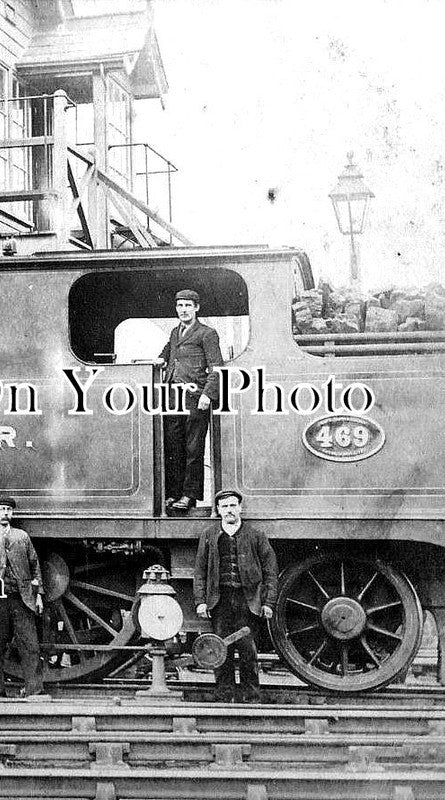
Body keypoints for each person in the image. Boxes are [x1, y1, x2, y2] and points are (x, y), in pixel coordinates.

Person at [193, 489, 278, 703]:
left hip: (247, 600)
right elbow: (200, 570)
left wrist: (268, 602)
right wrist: (201, 601)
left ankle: (251, 696)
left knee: (248, 650)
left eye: (233, 505)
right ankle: (224, 695)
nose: (229, 510)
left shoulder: (256, 535)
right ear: (218, 510)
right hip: (220, 600)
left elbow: (270, 570)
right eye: (225, 506)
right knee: (221, 650)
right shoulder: (209, 536)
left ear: (240, 508)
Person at [0, 495, 45, 698]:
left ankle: (34, 691)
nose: (4, 513)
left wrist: (38, 596)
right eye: (1, 509)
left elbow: (35, 567)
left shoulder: (22, 537)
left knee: (30, 647)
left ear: (12, 513)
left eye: (8, 510)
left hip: (22, 599)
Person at [158, 288, 224, 514]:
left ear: (196, 308)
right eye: (180, 305)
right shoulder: (175, 332)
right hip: (173, 396)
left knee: (194, 448)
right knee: (173, 446)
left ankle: (189, 496)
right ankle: (174, 494)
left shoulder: (207, 333)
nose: (183, 310)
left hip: (196, 397)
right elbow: (166, 356)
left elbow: (217, 367)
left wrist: (208, 394)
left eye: (188, 305)